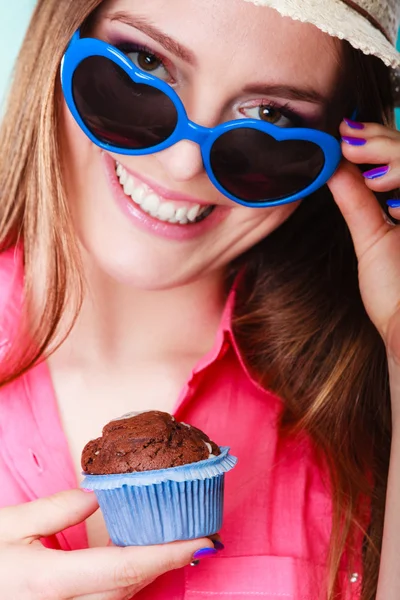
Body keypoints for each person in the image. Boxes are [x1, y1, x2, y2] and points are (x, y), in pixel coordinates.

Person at [0, 0, 399, 598]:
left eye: (269, 116)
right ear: (61, 43)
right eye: (143, 63)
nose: (186, 163)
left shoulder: (362, 403)